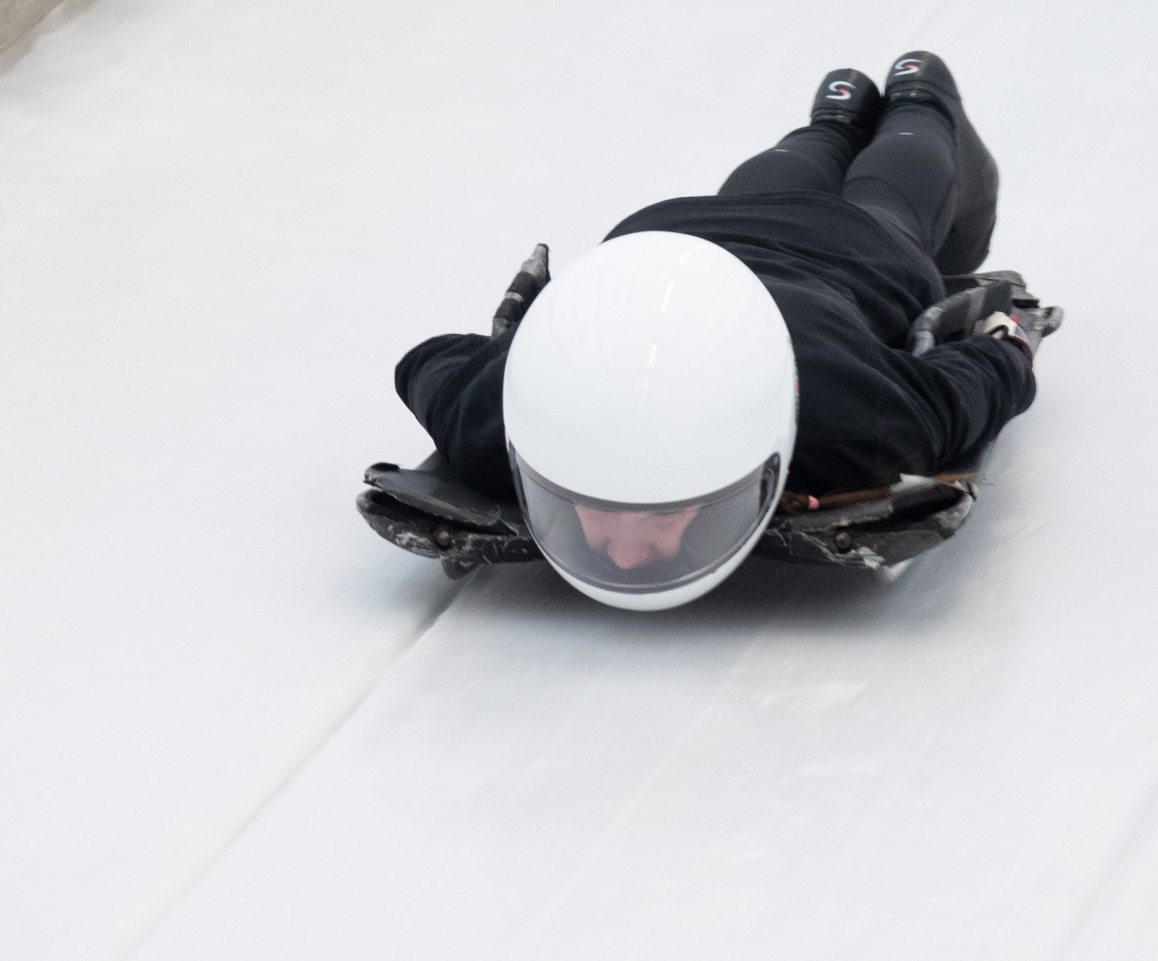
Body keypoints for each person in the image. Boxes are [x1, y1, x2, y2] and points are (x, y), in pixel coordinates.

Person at [393, 52, 1047, 610]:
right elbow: (427, 365)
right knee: (802, 180)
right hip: (683, 237)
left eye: (659, 512)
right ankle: (840, 115)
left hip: (852, 251)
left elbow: (972, 385)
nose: (624, 554)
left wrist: (1007, 347)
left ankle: (918, 94)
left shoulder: (850, 422)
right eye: (596, 505)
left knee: (891, 190)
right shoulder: (499, 413)